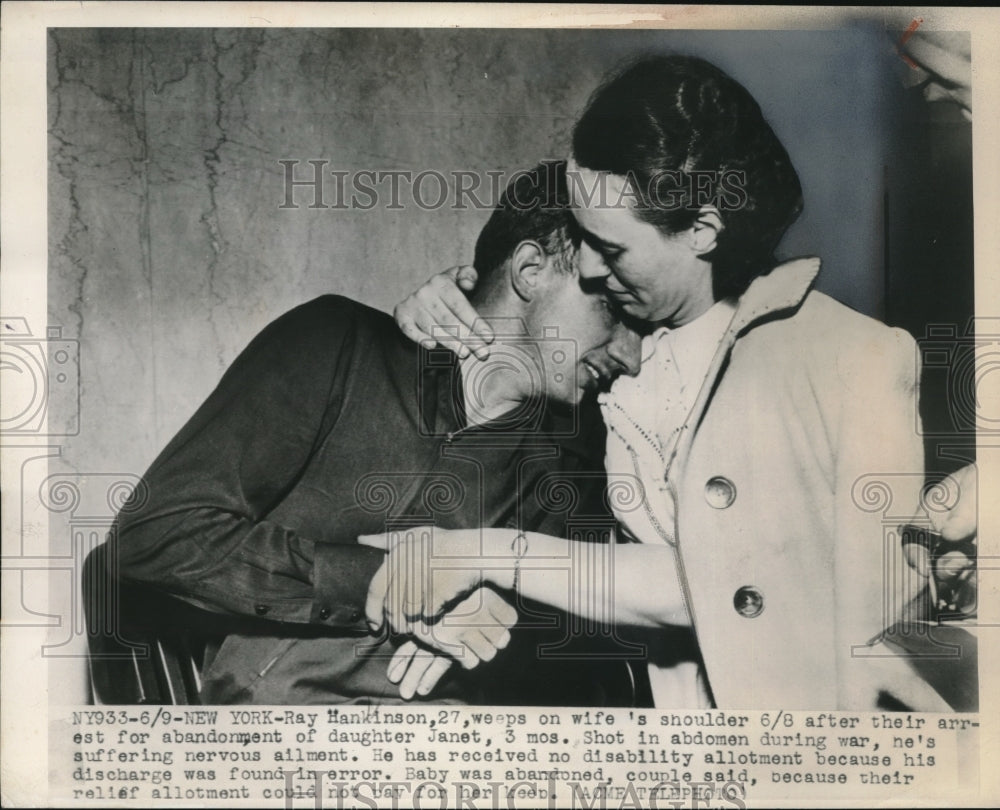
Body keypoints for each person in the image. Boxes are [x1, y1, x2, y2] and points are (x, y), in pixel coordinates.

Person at [373, 54, 953, 711]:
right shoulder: (608, 355)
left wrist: (482, 558)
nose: (588, 266)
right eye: (581, 236)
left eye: (611, 248)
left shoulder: (856, 360)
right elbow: (553, 510)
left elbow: (857, 629)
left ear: (703, 231)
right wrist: (449, 307)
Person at [107, 161, 642, 705]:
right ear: (530, 270)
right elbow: (153, 535)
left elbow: (599, 629)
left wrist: (504, 616)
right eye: (613, 310)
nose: (631, 354)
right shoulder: (336, 345)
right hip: (285, 752)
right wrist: (384, 582)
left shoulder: (582, 444)